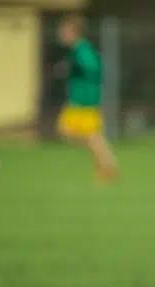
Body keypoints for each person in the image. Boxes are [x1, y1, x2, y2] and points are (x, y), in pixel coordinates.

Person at [56, 13, 117, 182]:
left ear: (73, 32)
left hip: (84, 101)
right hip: (80, 99)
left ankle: (107, 165)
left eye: (64, 31)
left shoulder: (81, 49)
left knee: (86, 136)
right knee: (76, 134)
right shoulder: (78, 50)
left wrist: (72, 69)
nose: (61, 34)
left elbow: (92, 67)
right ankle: (106, 164)